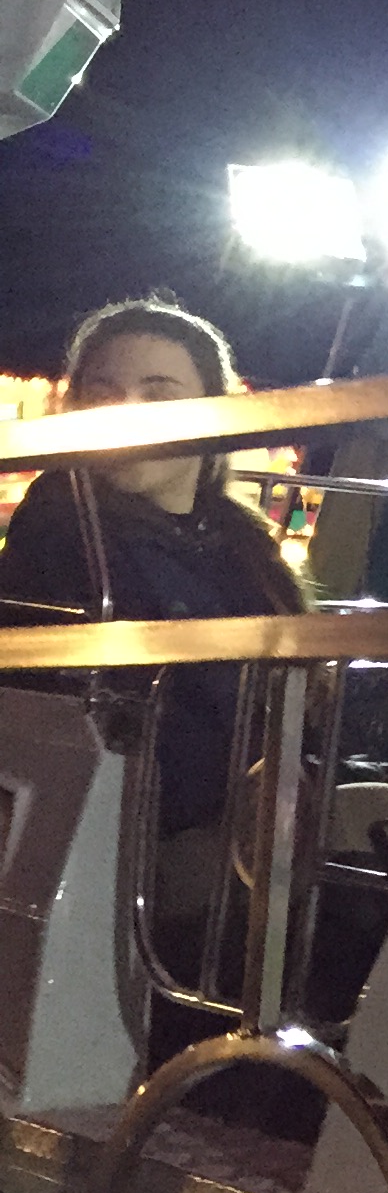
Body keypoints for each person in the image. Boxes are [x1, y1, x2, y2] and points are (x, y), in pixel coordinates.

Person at [0, 299, 304, 969]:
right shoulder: (66, 527)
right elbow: (131, 723)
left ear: (214, 412)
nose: (126, 411)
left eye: (158, 393)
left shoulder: (238, 543)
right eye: (103, 393)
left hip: (249, 822)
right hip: (133, 853)